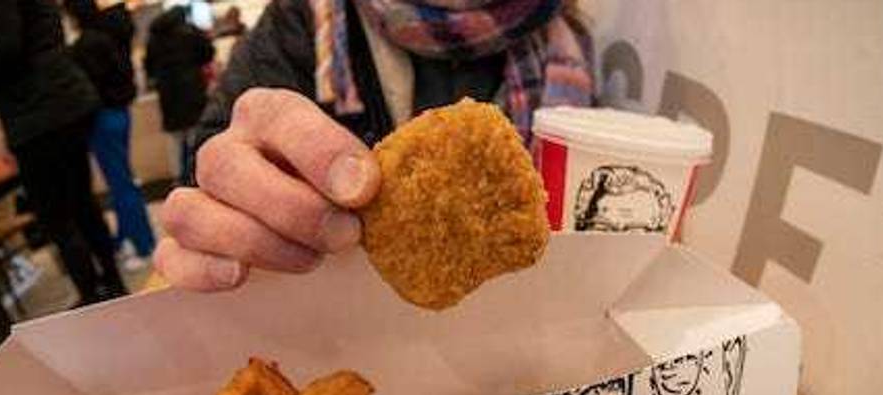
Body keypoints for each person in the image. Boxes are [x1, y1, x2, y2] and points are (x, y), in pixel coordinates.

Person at [154, 0, 593, 292]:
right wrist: (221, 201)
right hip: (346, 354)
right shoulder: (302, 22)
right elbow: (206, 172)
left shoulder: (577, 34)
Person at [0, 0, 128, 308]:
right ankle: (112, 283)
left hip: (37, 114)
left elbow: (3, 51)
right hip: (66, 100)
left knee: (56, 215)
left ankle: (91, 296)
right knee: (82, 203)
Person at [64, 0, 158, 268]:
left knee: (120, 183)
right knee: (122, 181)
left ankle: (143, 244)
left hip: (102, 119)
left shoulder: (85, 45)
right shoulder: (109, 35)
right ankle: (127, 238)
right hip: (119, 113)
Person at [144, 6, 215, 182]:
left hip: (169, 97)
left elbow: (149, 68)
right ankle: (199, 178)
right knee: (196, 139)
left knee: (175, 142)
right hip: (192, 93)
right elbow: (208, 53)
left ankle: (178, 179)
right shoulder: (190, 33)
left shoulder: (154, 39)